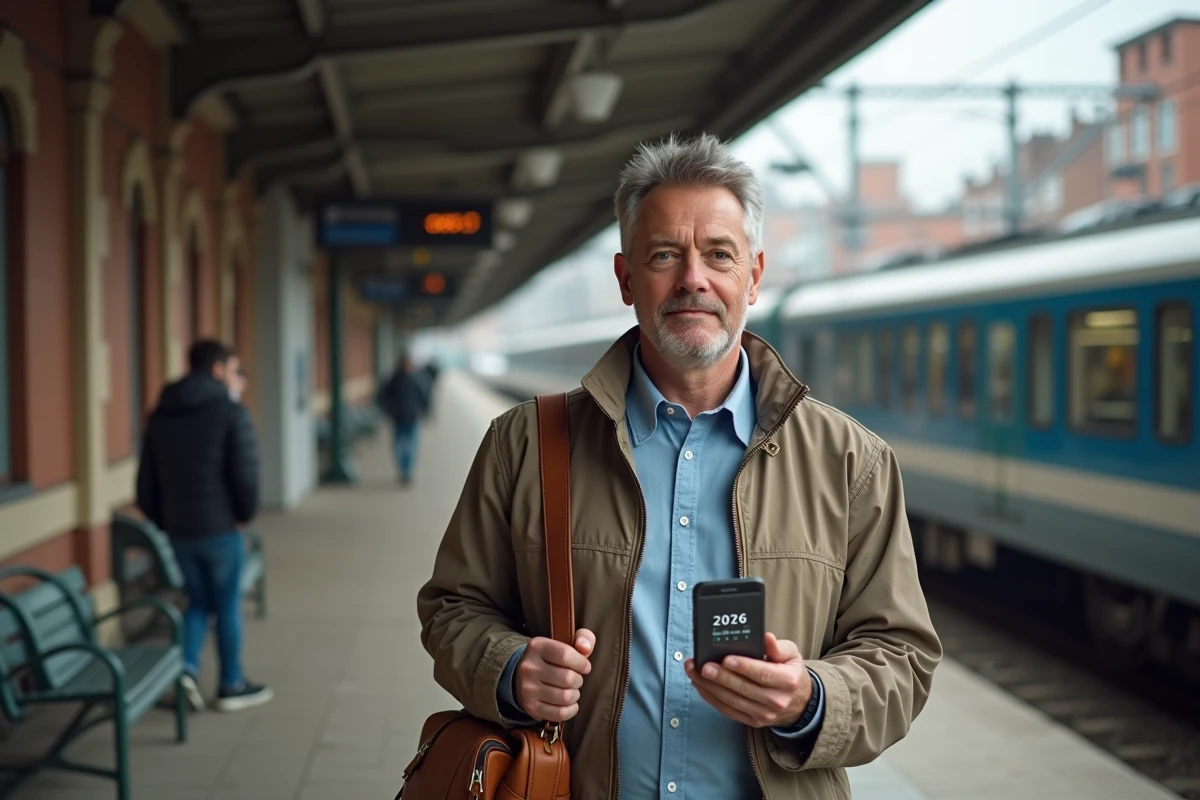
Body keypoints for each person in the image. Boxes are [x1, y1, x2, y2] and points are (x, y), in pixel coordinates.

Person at [417, 133, 941, 799]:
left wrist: (810, 698)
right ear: (626, 277)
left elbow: (902, 657)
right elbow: (452, 608)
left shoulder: (851, 462)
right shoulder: (524, 443)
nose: (693, 278)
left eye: (718, 255)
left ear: (752, 275)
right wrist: (509, 669)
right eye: (665, 254)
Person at [136, 340, 273, 713]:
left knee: (197, 601)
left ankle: (184, 672)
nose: (237, 377)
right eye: (234, 369)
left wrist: (166, 522)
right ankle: (231, 684)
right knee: (226, 604)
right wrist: (243, 515)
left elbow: (145, 483)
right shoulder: (229, 410)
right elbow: (245, 474)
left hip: (180, 532)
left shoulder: (160, 413)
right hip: (221, 528)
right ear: (217, 369)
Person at [377, 354, 429, 485]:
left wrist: (426, 410)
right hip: (399, 417)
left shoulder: (412, 379)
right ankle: (403, 469)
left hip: (411, 417)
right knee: (400, 444)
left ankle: (407, 470)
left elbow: (423, 396)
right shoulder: (395, 379)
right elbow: (383, 396)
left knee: (409, 445)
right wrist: (389, 410)